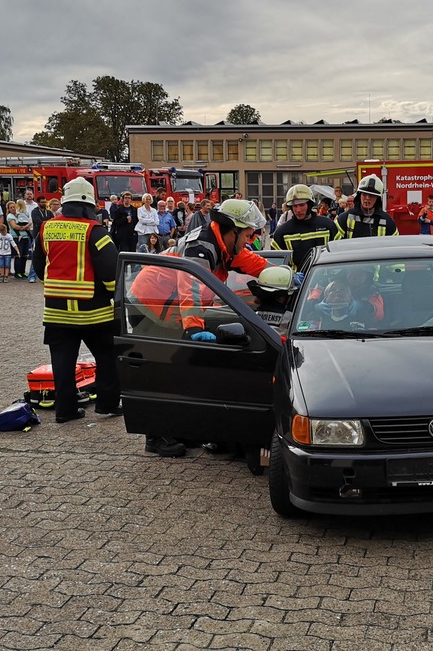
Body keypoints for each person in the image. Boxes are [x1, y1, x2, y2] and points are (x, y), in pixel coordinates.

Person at [128, 198, 270, 457]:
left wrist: (280, 274)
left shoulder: (224, 244)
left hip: (170, 308)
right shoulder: (202, 246)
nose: (250, 240)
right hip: (151, 305)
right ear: (233, 229)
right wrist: (194, 328)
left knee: (180, 371)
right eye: (247, 235)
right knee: (159, 371)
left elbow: (252, 261)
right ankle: (155, 436)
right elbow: (190, 285)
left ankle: (178, 429)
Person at [31, 177, 122, 425]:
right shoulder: (95, 231)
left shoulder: (46, 228)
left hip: (56, 311)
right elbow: (111, 270)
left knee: (62, 361)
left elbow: (39, 266)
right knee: (107, 356)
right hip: (95, 312)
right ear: (89, 204)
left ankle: (65, 410)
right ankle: (107, 404)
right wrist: (115, 295)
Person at [271, 184, 338, 270]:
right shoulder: (281, 233)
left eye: (301, 205)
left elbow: (338, 255)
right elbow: (276, 266)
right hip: (297, 282)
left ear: (309, 205)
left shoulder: (328, 226)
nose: (298, 210)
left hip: (326, 279)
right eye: (295, 206)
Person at [334, 174, 398, 239]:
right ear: (359, 195)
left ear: (377, 198)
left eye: (371, 195)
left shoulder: (387, 221)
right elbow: (335, 244)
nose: (367, 198)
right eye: (364, 194)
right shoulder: (344, 219)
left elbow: (395, 245)